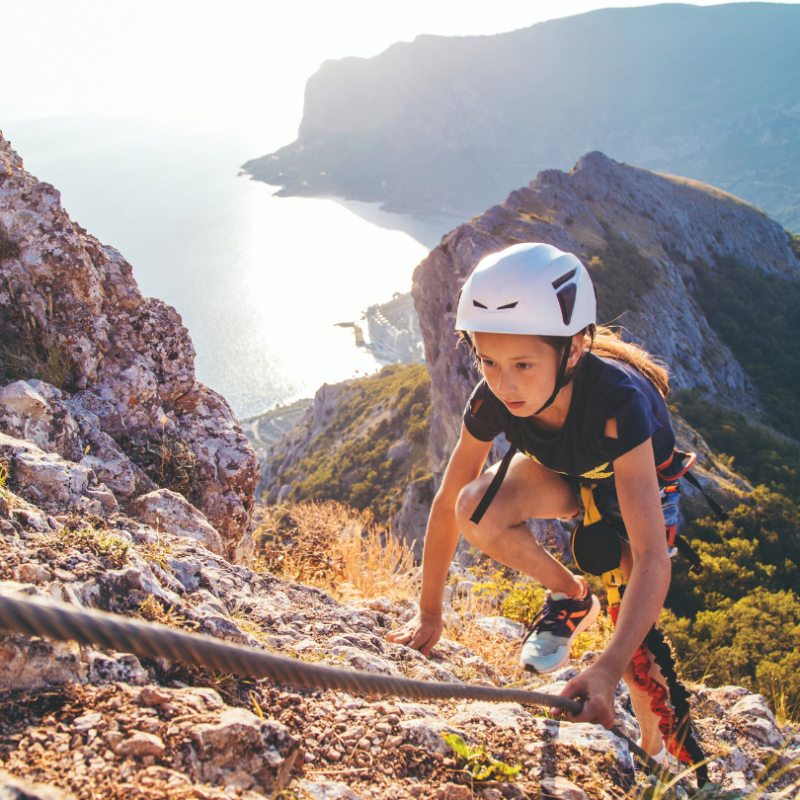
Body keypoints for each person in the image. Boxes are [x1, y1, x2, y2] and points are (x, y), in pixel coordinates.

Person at [387, 242, 683, 764]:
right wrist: (430, 611)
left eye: (524, 363)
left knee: (637, 654)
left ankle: (651, 756)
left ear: (571, 350)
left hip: (631, 484)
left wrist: (607, 667)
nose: (505, 384)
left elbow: (654, 558)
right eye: (489, 361)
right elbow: (450, 497)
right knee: (476, 506)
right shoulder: (493, 399)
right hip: (571, 475)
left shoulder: (619, 403)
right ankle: (571, 597)